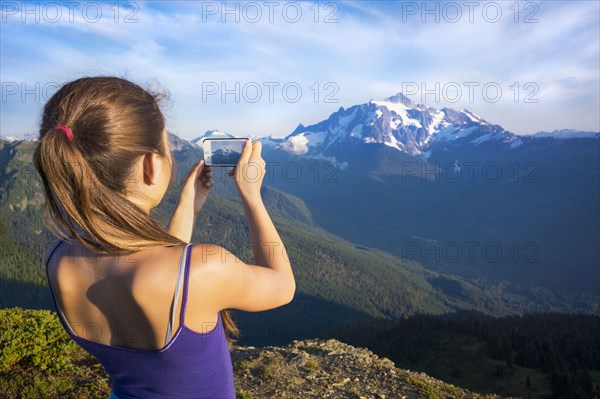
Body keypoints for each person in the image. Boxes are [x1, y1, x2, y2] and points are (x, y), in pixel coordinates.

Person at [33, 76, 295, 399]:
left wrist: (189, 203)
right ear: (150, 166)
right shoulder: (203, 268)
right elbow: (282, 286)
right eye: (167, 145)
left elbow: (163, 274)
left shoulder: (58, 259)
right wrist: (252, 195)